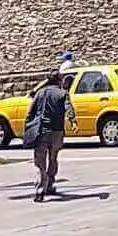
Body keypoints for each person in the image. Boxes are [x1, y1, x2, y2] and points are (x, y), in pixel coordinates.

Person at [25, 71, 76, 201]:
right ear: (59, 81)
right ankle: (50, 184)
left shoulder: (39, 93)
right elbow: (68, 108)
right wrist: (72, 121)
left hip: (41, 130)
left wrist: (28, 127)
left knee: (40, 162)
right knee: (53, 158)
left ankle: (41, 188)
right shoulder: (62, 94)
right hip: (56, 131)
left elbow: (30, 112)